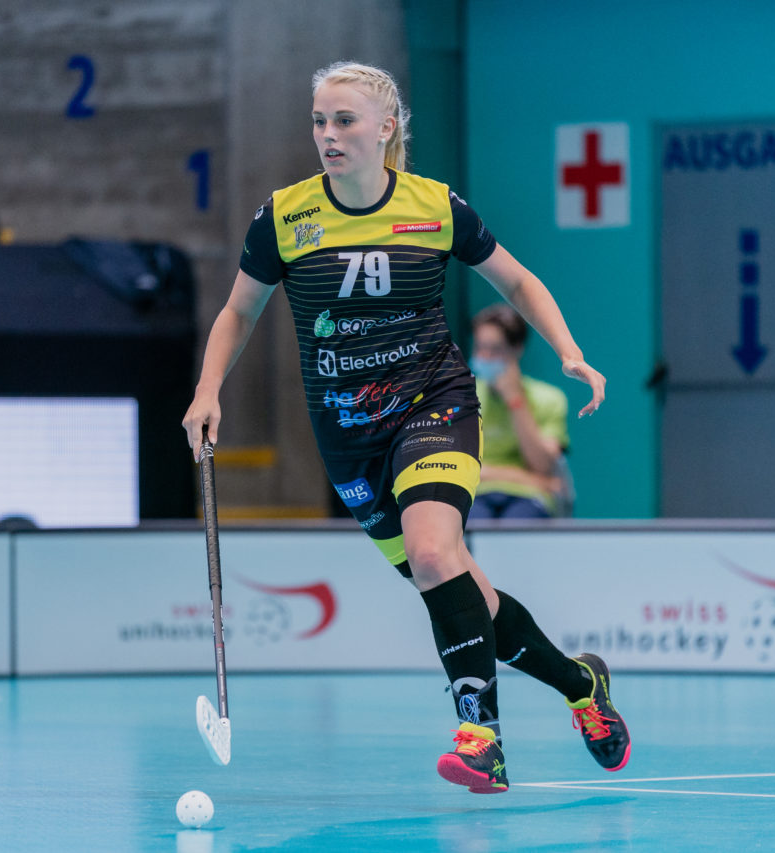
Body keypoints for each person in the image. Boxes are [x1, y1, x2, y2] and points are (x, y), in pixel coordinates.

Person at [180, 61, 629, 794]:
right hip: (348, 434)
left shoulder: (435, 206)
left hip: (434, 404)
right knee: (463, 591)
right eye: (319, 121)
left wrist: (570, 352)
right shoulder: (285, 216)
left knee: (430, 552)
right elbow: (239, 311)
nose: (328, 135)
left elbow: (514, 280)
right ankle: (581, 684)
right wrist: (207, 389)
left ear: (386, 128)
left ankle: (480, 735)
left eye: (345, 120)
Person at [469, 303, 573, 520]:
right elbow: (459, 468)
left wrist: (515, 401)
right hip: (474, 493)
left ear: (517, 349)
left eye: (495, 349)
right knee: (472, 522)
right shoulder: (462, 395)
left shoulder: (550, 399)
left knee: (519, 523)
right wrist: (528, 478)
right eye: (480, 347)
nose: (485, 357)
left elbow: (543, 466)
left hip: (528, 498)